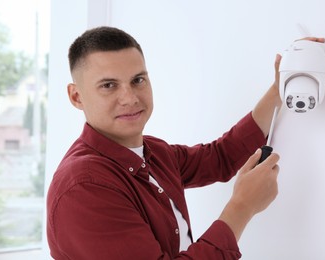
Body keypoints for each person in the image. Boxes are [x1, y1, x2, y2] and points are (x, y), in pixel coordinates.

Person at [46, 26, 289, 259]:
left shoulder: (155, 152)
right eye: (109, 85)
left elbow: (220, 158)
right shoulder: (84, 187)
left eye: (138, 80)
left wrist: (279, 90)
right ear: (76, 96)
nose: (130, 98)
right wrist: (242, 207)